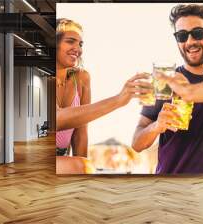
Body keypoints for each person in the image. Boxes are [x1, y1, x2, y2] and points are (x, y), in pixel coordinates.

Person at [132, 4, 203, 174]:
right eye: (182, 36)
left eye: (197, 33)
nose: (189, 41)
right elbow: (137, 143)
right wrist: (157, 126)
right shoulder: (165, 81)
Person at [56, 19, 151, 173]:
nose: (77, 49)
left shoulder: (81, 77)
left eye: (80, 44)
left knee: (84, 167)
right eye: (70, 42)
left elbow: (81, 133)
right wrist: (119, 100)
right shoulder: (44, 76)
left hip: (64, 160)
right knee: (81, 166)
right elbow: (57, 119)